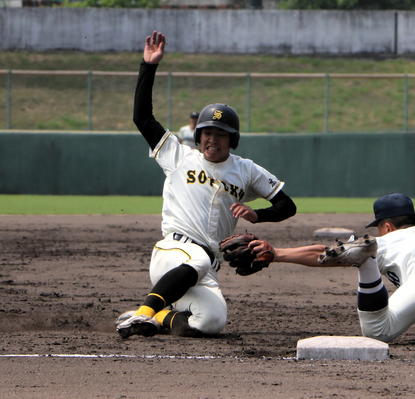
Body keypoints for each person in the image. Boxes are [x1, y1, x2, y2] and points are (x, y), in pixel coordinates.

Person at [116, 31, 296, 339]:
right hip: (174, 252)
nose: (213, 138)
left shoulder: (247, 170)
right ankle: (142, 313)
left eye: (221, 133)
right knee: (197, 257)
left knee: (212, 320)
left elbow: (286, 205)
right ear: (199, 136)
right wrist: (148, 67)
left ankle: (156, 317)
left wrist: (257, 215)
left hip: (207, 267)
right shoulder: (178, 156)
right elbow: (142, 117)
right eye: (207, 132)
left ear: (232, 140)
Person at [248, 148, 415, 343]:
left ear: (386, 226)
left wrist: (278, 253)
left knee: (378, 331)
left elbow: (321, 253)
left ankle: (365, 260)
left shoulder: (388, 240)